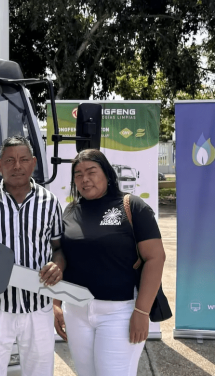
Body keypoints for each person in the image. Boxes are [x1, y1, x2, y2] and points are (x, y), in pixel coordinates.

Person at [54, 149, 166, 376]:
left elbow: (155, 258)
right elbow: (63, 254)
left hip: (119, 312)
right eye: (78, 174)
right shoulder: (71, 211)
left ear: (107, 174)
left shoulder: (132, 206)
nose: (84, 179)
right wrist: (56, 302)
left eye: (91, 172)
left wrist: (142, 312)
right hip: (75, 311)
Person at [0, 136, 65, 376]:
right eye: (10, 160)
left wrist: (57, 266)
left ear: (33, 163)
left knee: (40, 372)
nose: (17, 166)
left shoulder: (50, 202)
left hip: (39, 307)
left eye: (23, 160)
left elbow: (59, 248)